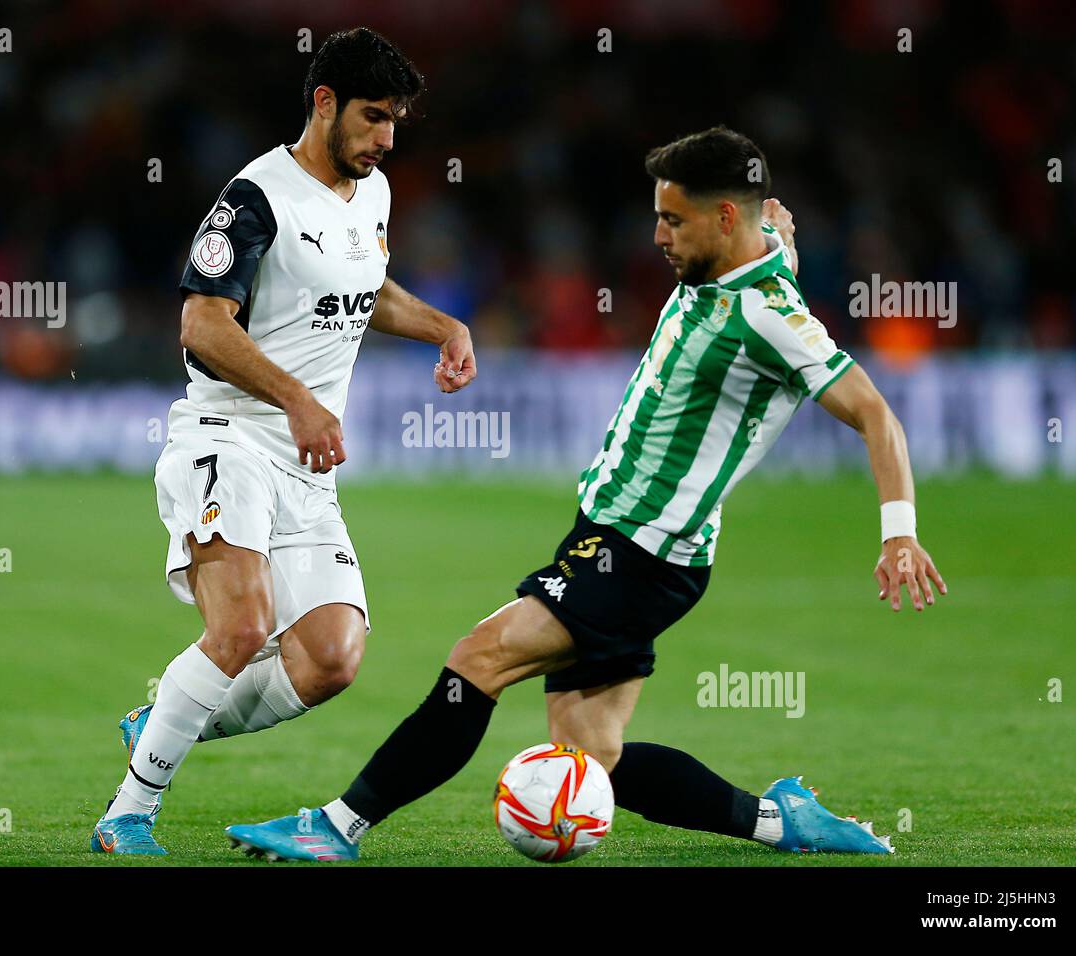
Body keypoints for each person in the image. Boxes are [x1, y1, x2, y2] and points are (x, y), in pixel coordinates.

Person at [221, 126, 947, 862]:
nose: (657, 235)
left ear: (725, 220)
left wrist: (899, 532)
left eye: (674, 220)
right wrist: (777, 235)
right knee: (591, 754)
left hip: (642, 553)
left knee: (480, 657)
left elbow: (875, 414)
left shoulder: (770, 316)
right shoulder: (738, 264)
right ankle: (780, 820)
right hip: (611, 536)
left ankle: (337, 827)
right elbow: (774, 247)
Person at [91, 28, 477, 856]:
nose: (387, 139)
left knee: (333, 658)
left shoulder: (369, 194)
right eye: (374, 118)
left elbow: (363, 292)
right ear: (324, 103)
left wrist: (443, 325)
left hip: (305, 468)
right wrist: (298, 396)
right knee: (241, 628)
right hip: (226, 438)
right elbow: (200, 322)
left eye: (398, 121)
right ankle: (127, 815)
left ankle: (160, 720)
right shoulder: (256, 198)